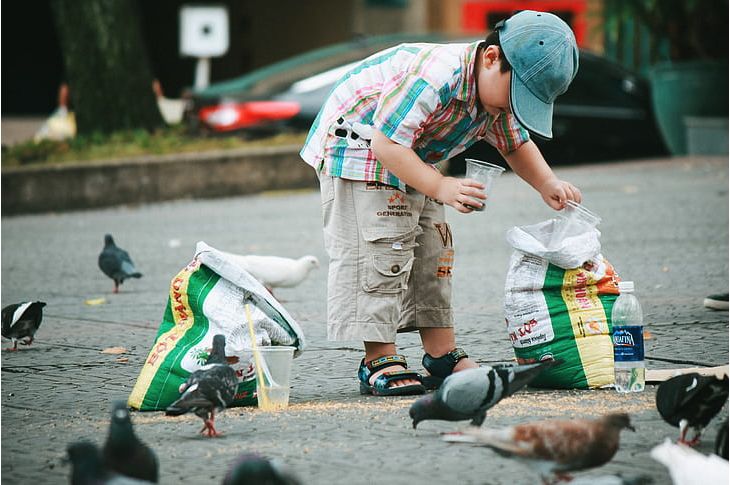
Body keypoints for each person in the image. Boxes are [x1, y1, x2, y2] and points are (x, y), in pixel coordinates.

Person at [300, 10, 583, 396]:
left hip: (413, 155)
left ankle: (441, 355)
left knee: (434, 253)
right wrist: (440, 185)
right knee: (382, 248)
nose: (513, 110)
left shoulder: (495, 101)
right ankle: (378, 358)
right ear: (490, 59)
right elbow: (386, 144)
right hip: (359, 149)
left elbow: (515, 143)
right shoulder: (434, 76)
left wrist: (546, 183)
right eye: (516, 97)